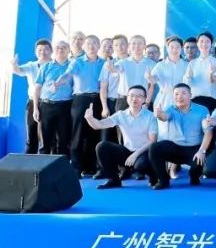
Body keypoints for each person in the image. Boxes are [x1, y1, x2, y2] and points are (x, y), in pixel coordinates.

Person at [83, 85, 158, 189]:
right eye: (131, 95)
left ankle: (154, 176)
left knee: (140, 165)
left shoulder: (151, 116)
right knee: (102, 146)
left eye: (139, 96)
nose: (134, 99)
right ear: (127, 97)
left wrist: (135, 154)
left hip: (144, 152)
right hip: (127, 151)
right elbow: (99, 125)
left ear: (145, 99)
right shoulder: (121, 114)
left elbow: (152, 141)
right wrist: (90, 118)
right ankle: (113, 180)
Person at [148, 83, 208, 189]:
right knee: (155, 148)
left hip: (194, 149)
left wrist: (202, 151)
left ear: (190, 95)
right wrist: (160, 114)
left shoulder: (202, 110)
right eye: (176, 94)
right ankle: (163, 180)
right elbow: (165, 117)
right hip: (175, 148)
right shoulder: (170, 108)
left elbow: (208, 132)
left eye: (183, 93)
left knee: (198, 165)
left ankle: (194, 176)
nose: (179, 96)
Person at [66, 35, 105, 176]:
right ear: (83, 46)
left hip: (97, 99)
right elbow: (68, 75)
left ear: (99, 46)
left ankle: (90, 167)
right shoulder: (77, 62)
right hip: (80, 99)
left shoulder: (104, 63)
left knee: (94, 133)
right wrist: (58, 82)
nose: (91, 46)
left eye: (94, 43)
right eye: (88, 43)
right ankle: (76, 167)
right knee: (78, 132)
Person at [33, 40, 74, 158]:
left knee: (64, 139)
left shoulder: (73, 66)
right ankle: (43, 166)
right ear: (54, 51)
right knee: (45, 140)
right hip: (46, 106)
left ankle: (62, 166)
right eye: (57, 48)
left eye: (63, 47)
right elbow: (37, 88)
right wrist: (35, 108)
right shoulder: (46, 67)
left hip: (65, 106)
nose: (60, 50)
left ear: (68, 50)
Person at [12, 39, 51, 154]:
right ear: (35, 52)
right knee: (31, 135)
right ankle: (29, 161)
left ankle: (47, 161)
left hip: (49, 103)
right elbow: (18, 71)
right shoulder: (31, 65)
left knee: (47, 137)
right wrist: (14, 64)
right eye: (39, 50)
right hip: (33, 102)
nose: (43, 52)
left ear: (51, 51)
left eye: (46, 49)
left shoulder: (55, 65)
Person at [149, 37, 190, 142]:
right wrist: (149, 77)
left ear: (181, 49)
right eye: (172, 47)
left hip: (182, 99)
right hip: (165, 98)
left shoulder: (187, 65)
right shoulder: (160, 65)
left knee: (181, 125)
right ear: (167, 48)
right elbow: (153, 80)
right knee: (163, 126)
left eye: (177, 47)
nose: (174, 49)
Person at [102, 34, 153, 116]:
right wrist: (111, 68)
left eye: (140, 43)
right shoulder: (123, 62)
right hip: (124, 100)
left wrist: (146, 103)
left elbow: (151, 85)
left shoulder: (152, 64)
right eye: (134, 43)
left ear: (144, 46)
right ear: (129, 45)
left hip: (142, 100)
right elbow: (116, 69)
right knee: (121, 124)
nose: (136, 46)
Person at [185, 32, 216, 112]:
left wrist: (211, 74)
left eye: (207, 41)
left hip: (212, 101)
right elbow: (187, 84)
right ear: (197, 44)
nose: (204, 44)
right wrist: (188, 77)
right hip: (195, 101)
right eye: (201, 41)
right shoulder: (192, 63)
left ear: (211, 44)